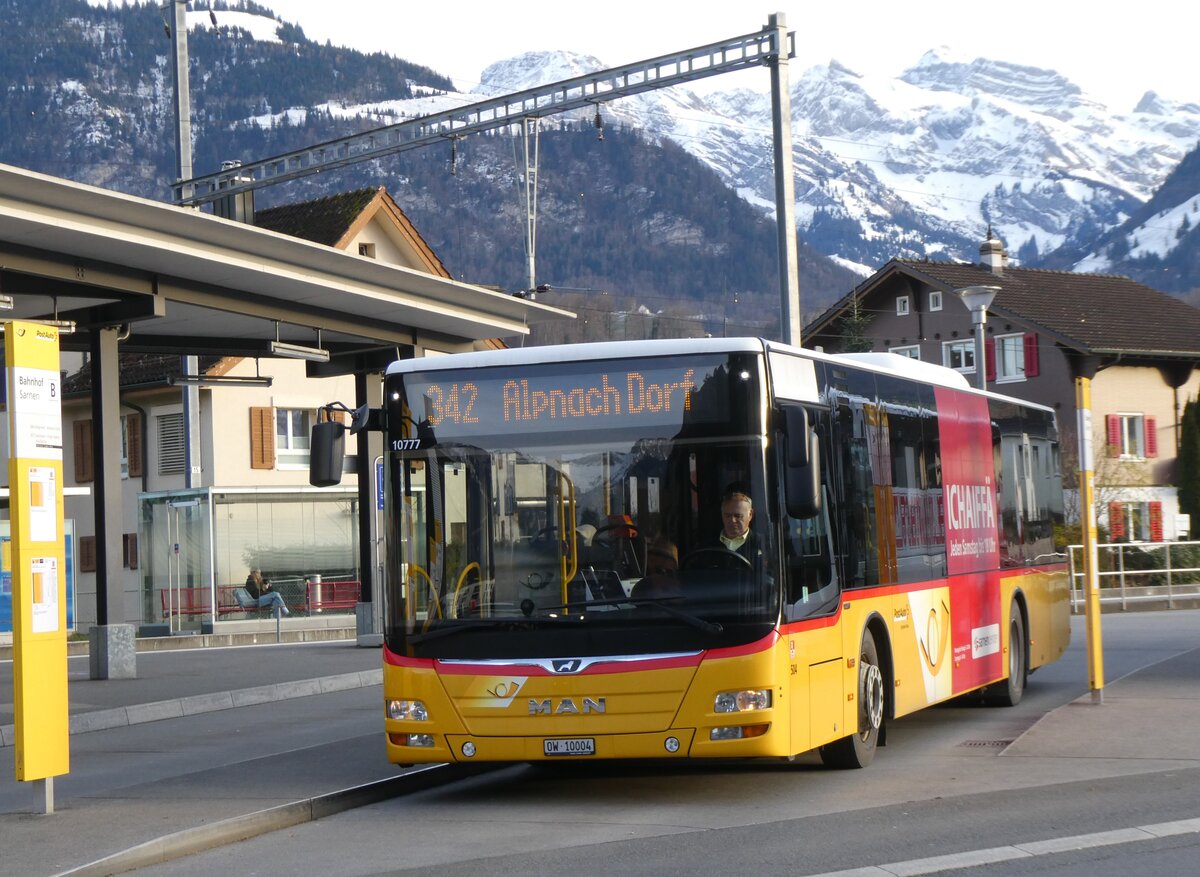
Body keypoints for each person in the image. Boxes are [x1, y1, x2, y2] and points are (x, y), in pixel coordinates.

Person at [717, 487, 760, 564]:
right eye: (727, 516)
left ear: (750, 515)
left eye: (738, 516)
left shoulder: (762, 545)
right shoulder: (707, 545)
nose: (732, 520)